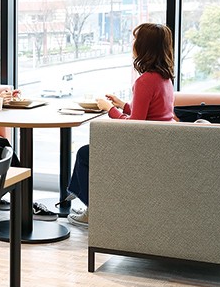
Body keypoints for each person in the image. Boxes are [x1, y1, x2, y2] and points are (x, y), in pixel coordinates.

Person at [67, 22, 176, 227]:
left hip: (142, 148)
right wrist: (122, 104)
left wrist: (110, 109)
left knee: (84, 154)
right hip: (158, 145)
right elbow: (152, 114)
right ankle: (77, 196)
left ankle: (93, 209)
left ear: (144, 47)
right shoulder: (164, 78)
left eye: (135, 39)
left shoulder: (144, 81)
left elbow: (134, 127)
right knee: (86, 153)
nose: (132, 43)